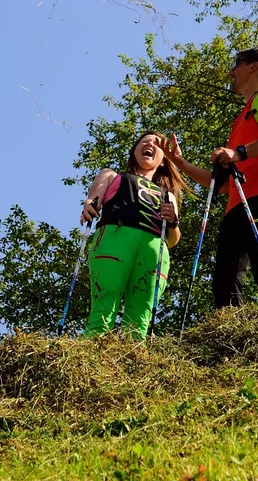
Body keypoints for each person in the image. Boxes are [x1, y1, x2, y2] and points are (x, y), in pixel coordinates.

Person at [161, 48, 258, 307]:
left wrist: (238, 152)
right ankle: (237, 341)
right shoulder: (241, 120)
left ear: (253, 67)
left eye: (236, 64)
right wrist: (180, 163)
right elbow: (221, 185)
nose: (230, 72)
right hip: (236, 203)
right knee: (224, 282)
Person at [78, 131, 184, 340]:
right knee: (105, 296)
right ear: (134, 150)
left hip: (154, 247)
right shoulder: (112, 176)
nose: (150, 145)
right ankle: (92, 350)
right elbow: (93, 199)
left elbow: (172, 240)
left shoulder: (167, 195)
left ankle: (134, 355)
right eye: (145, 142)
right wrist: (90, 206)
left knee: (142, 309)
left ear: (164, 160)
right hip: (115, 237)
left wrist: (173, 221)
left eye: (157, 145)